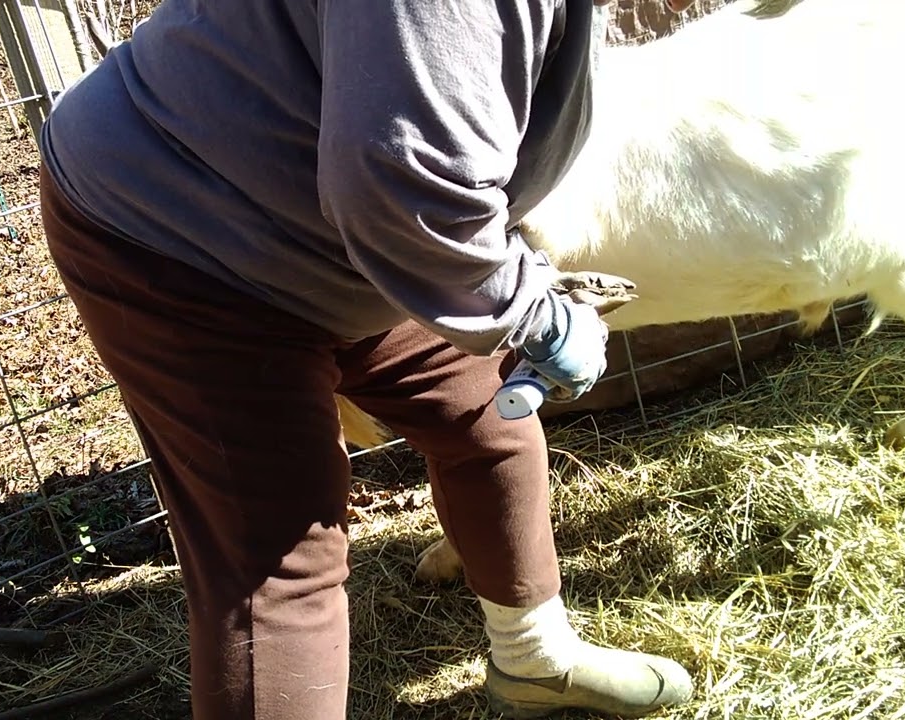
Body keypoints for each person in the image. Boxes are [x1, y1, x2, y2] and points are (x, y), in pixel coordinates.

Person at [36, 0, 699, 717]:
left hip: (335, 229)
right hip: (178, 229)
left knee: (485, 420)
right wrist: (533, 313)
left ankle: (533, 660)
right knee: (280, 560)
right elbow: (403, 184)